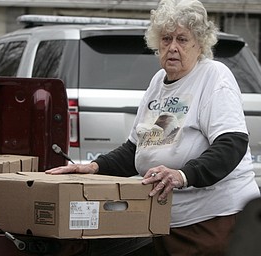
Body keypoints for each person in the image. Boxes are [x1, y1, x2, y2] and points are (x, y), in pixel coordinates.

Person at [46, 0, 260, 255]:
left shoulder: (214, 77)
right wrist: (94, 167)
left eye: (182, 39)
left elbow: (231, 144)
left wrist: (182, 175)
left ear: (200, 44)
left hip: (212, 222)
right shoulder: (159, 82)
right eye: (166, 38)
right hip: (163, 221)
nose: (172, 47)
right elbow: (140, 147)